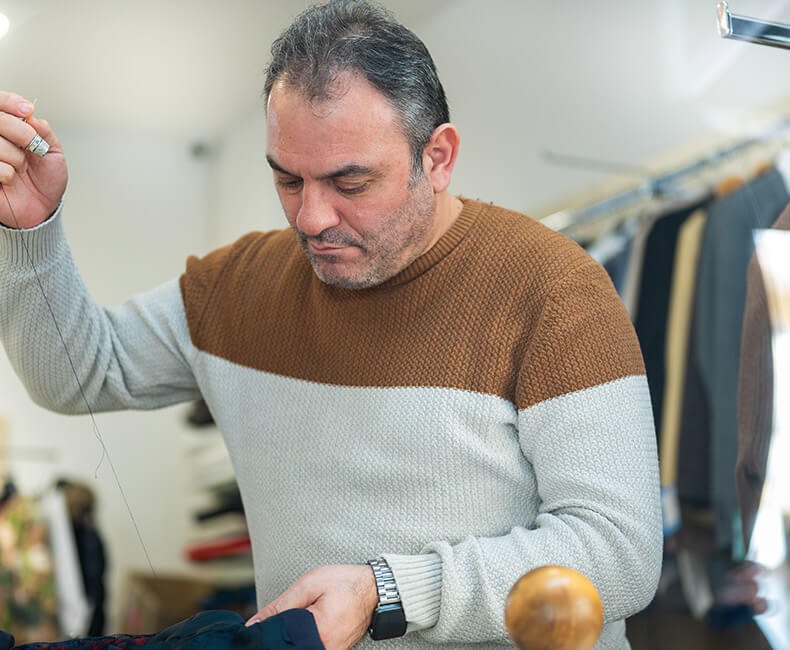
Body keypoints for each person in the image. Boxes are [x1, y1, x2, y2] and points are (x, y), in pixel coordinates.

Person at [0, 1, 662, 648]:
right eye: (288, 179)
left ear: (437, 156)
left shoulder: (553, 288)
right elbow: (74, 375)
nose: (311, 218)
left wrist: (390, 592)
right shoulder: (236, 288)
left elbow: (619, 550)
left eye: (350, 183)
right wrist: (30, 231)